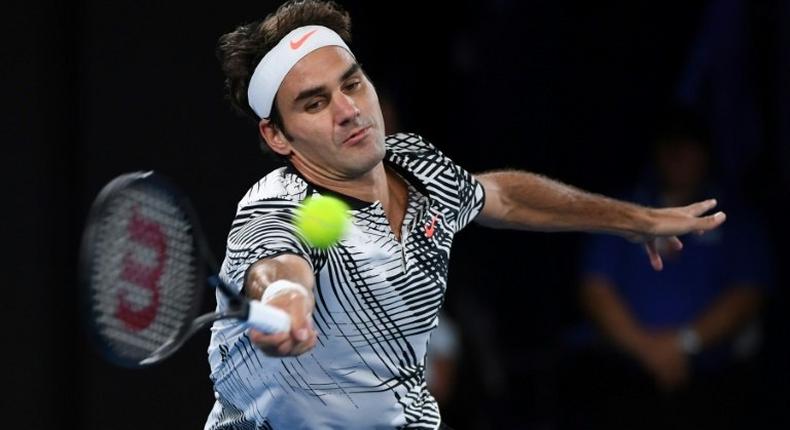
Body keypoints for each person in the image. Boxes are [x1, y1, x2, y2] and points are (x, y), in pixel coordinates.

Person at [205, 2, 725, 429]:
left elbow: (502, 196)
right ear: (276, 136)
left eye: (353, 83)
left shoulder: (413, 164)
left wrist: (637, 220)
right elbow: (275, 262)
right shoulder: (277, 203)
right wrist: (285, 296)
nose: (348, 109)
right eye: (315, 104)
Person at [559, 110, 772, 430]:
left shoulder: (736, 217)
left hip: (708, 378)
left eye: (688, 146)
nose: (678, 156)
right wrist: (647, 349)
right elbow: (595, 287)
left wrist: (683, 343)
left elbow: (748, 293)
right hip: (624, 374)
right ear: (657, 151)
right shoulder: (622, 209)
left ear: (706, 153)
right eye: (671, 146)